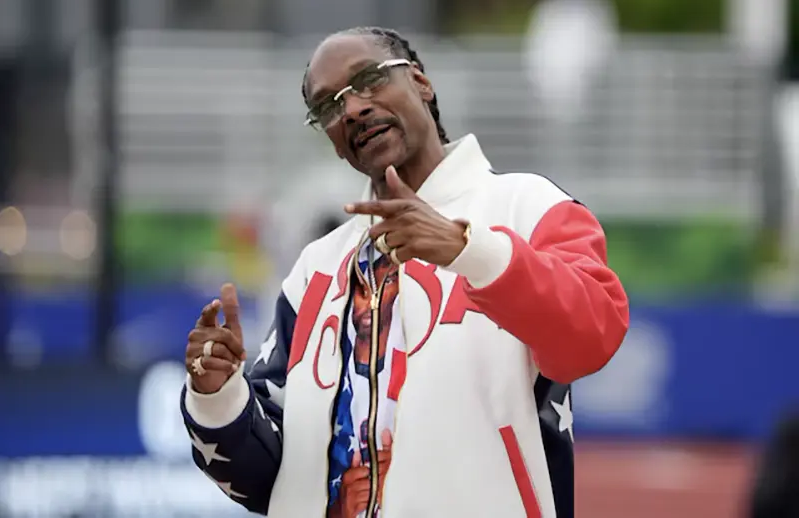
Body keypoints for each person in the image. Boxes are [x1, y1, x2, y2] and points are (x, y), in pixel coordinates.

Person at [180, 26, 630, 518]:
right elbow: (270, 478)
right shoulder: (316, 269)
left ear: (421, 82)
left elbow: (593, 335)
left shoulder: (527, 206)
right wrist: (218, 396)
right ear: (332, 140)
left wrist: (470, 252)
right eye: (329, 107)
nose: (352, 109)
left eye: (370, 79)